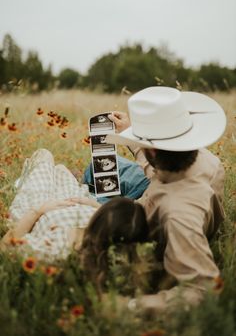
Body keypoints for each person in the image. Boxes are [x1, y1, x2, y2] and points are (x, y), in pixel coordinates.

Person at [104, 86, 226, 313]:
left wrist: (131, 305)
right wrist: (133, 134)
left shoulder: (178, 215)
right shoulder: (207, 162)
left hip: (129, 225)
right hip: (148, 196)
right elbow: (157, 170)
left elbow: (202, 289)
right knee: (93, 170)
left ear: (152, 152)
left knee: (56, 172)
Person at [1, 149, 148, 264]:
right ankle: (31, 180)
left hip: (41, 208)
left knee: (44, 155)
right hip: (75, 200)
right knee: (61, 169)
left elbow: (6, 246)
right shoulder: (114, 231)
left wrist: (37, 211)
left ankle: (21, 184)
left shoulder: (57, 248)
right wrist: (95, 205)